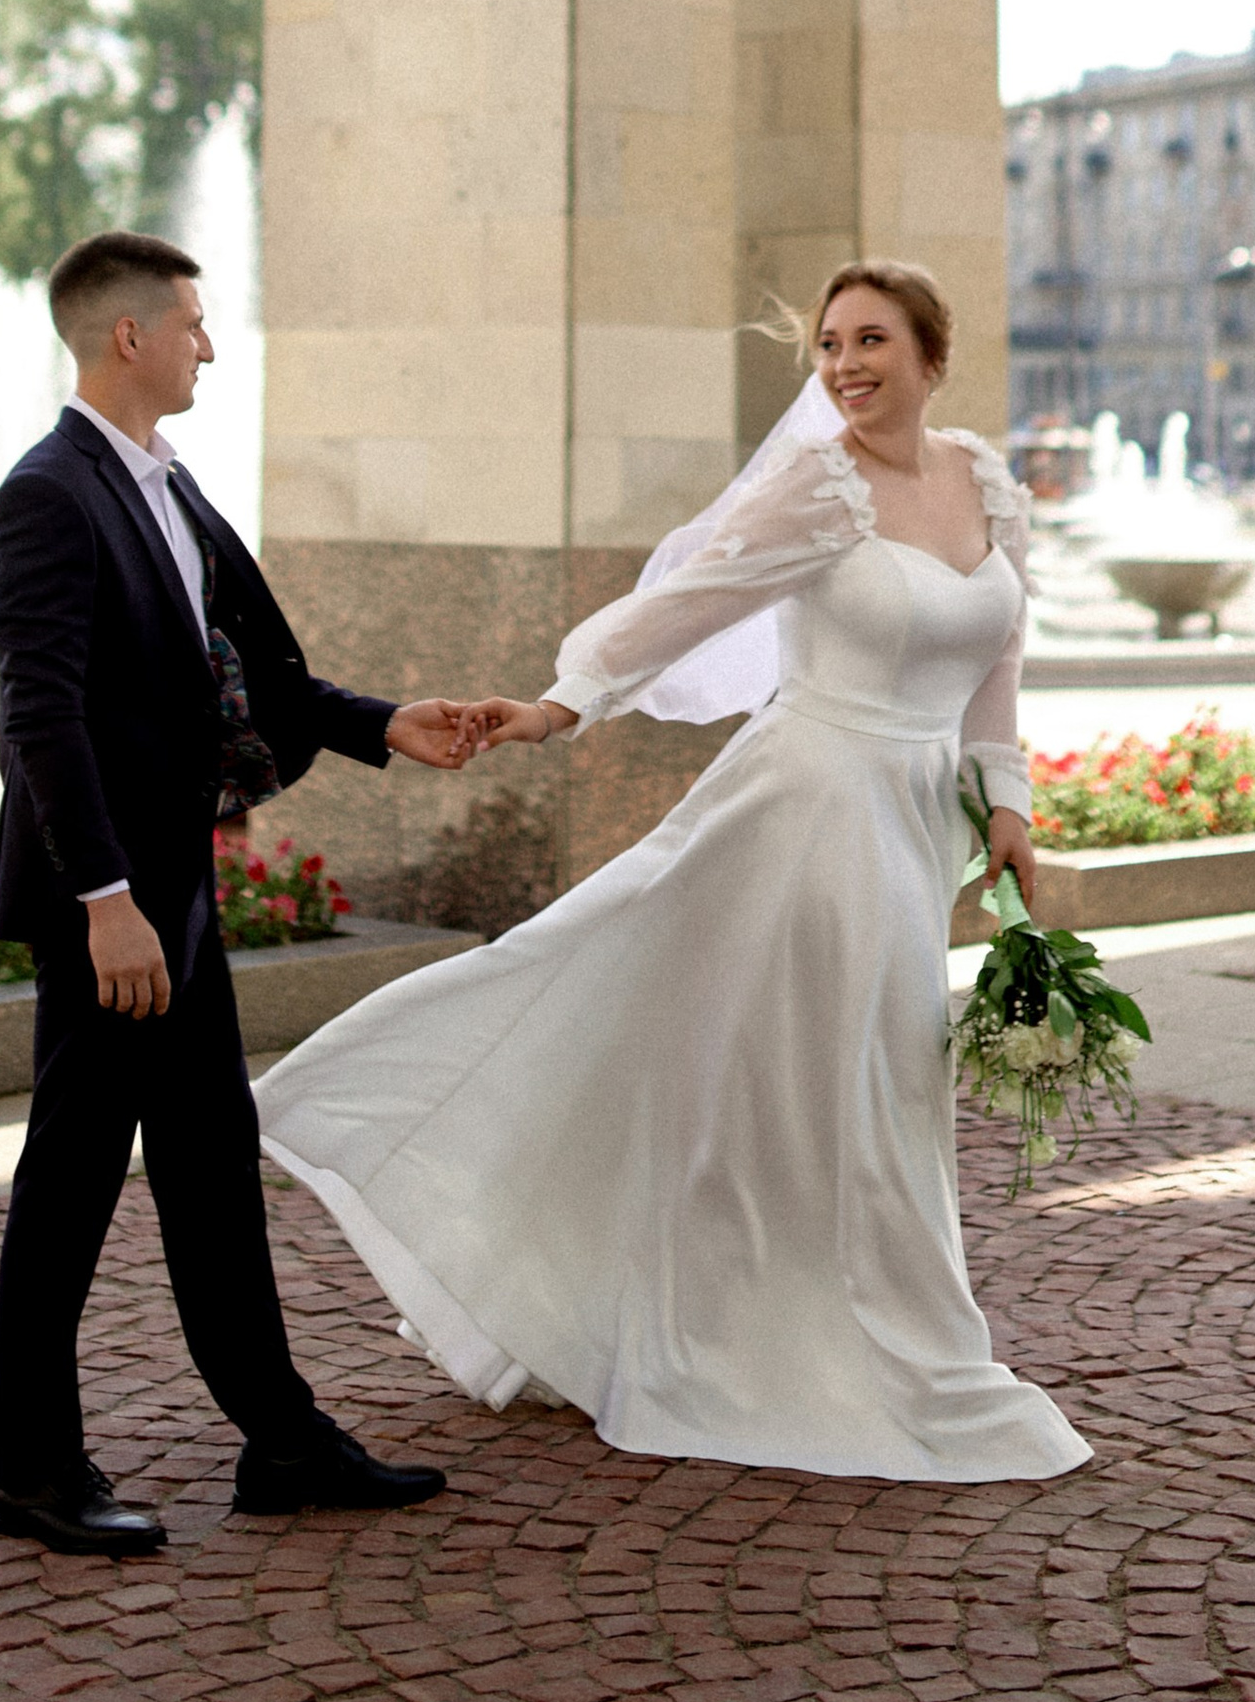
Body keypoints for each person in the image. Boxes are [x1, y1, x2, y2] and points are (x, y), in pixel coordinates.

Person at [253, 260, 1088, 1484]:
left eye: (869, 342)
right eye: (827, 347)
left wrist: (1004, 805)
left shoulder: (985, 484)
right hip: (806, 804)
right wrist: (556, 707)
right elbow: (685, 605)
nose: (845, 367)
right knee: (808, 1073)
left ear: (930, 353)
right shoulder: (820, 489)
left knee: (875, 1075)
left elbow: (998, 664)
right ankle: (769, 1328)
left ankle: (858, 1312)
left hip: (917, 829)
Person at [0, 225, 480, 1554]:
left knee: (208, 1170)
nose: (210, 342)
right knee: (71, 1184)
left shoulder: (166, 485)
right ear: (128, 336)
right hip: (112, 915)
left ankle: (282, 1441)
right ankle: (33, 1472)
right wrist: (101, 898)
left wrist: (390, 724)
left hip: (173, 899)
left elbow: (251, 681)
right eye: (193, 322)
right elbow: (42, 721)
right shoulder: (49, 492)